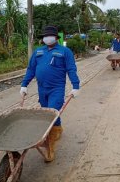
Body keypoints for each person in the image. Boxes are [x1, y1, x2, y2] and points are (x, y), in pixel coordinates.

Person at [19, 25, 80, 162]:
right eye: (45, 36)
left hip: (56, 89)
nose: (47, 38)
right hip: (42, 89)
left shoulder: (65, 51)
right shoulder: (38, 51)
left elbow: (71, 69)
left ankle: (50, 147)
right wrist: (24, 84)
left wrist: (76, 86)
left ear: (56, 38)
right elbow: (31, 69)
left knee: (52, 113)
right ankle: (58, 129)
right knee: (48, 114)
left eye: (49, 36)